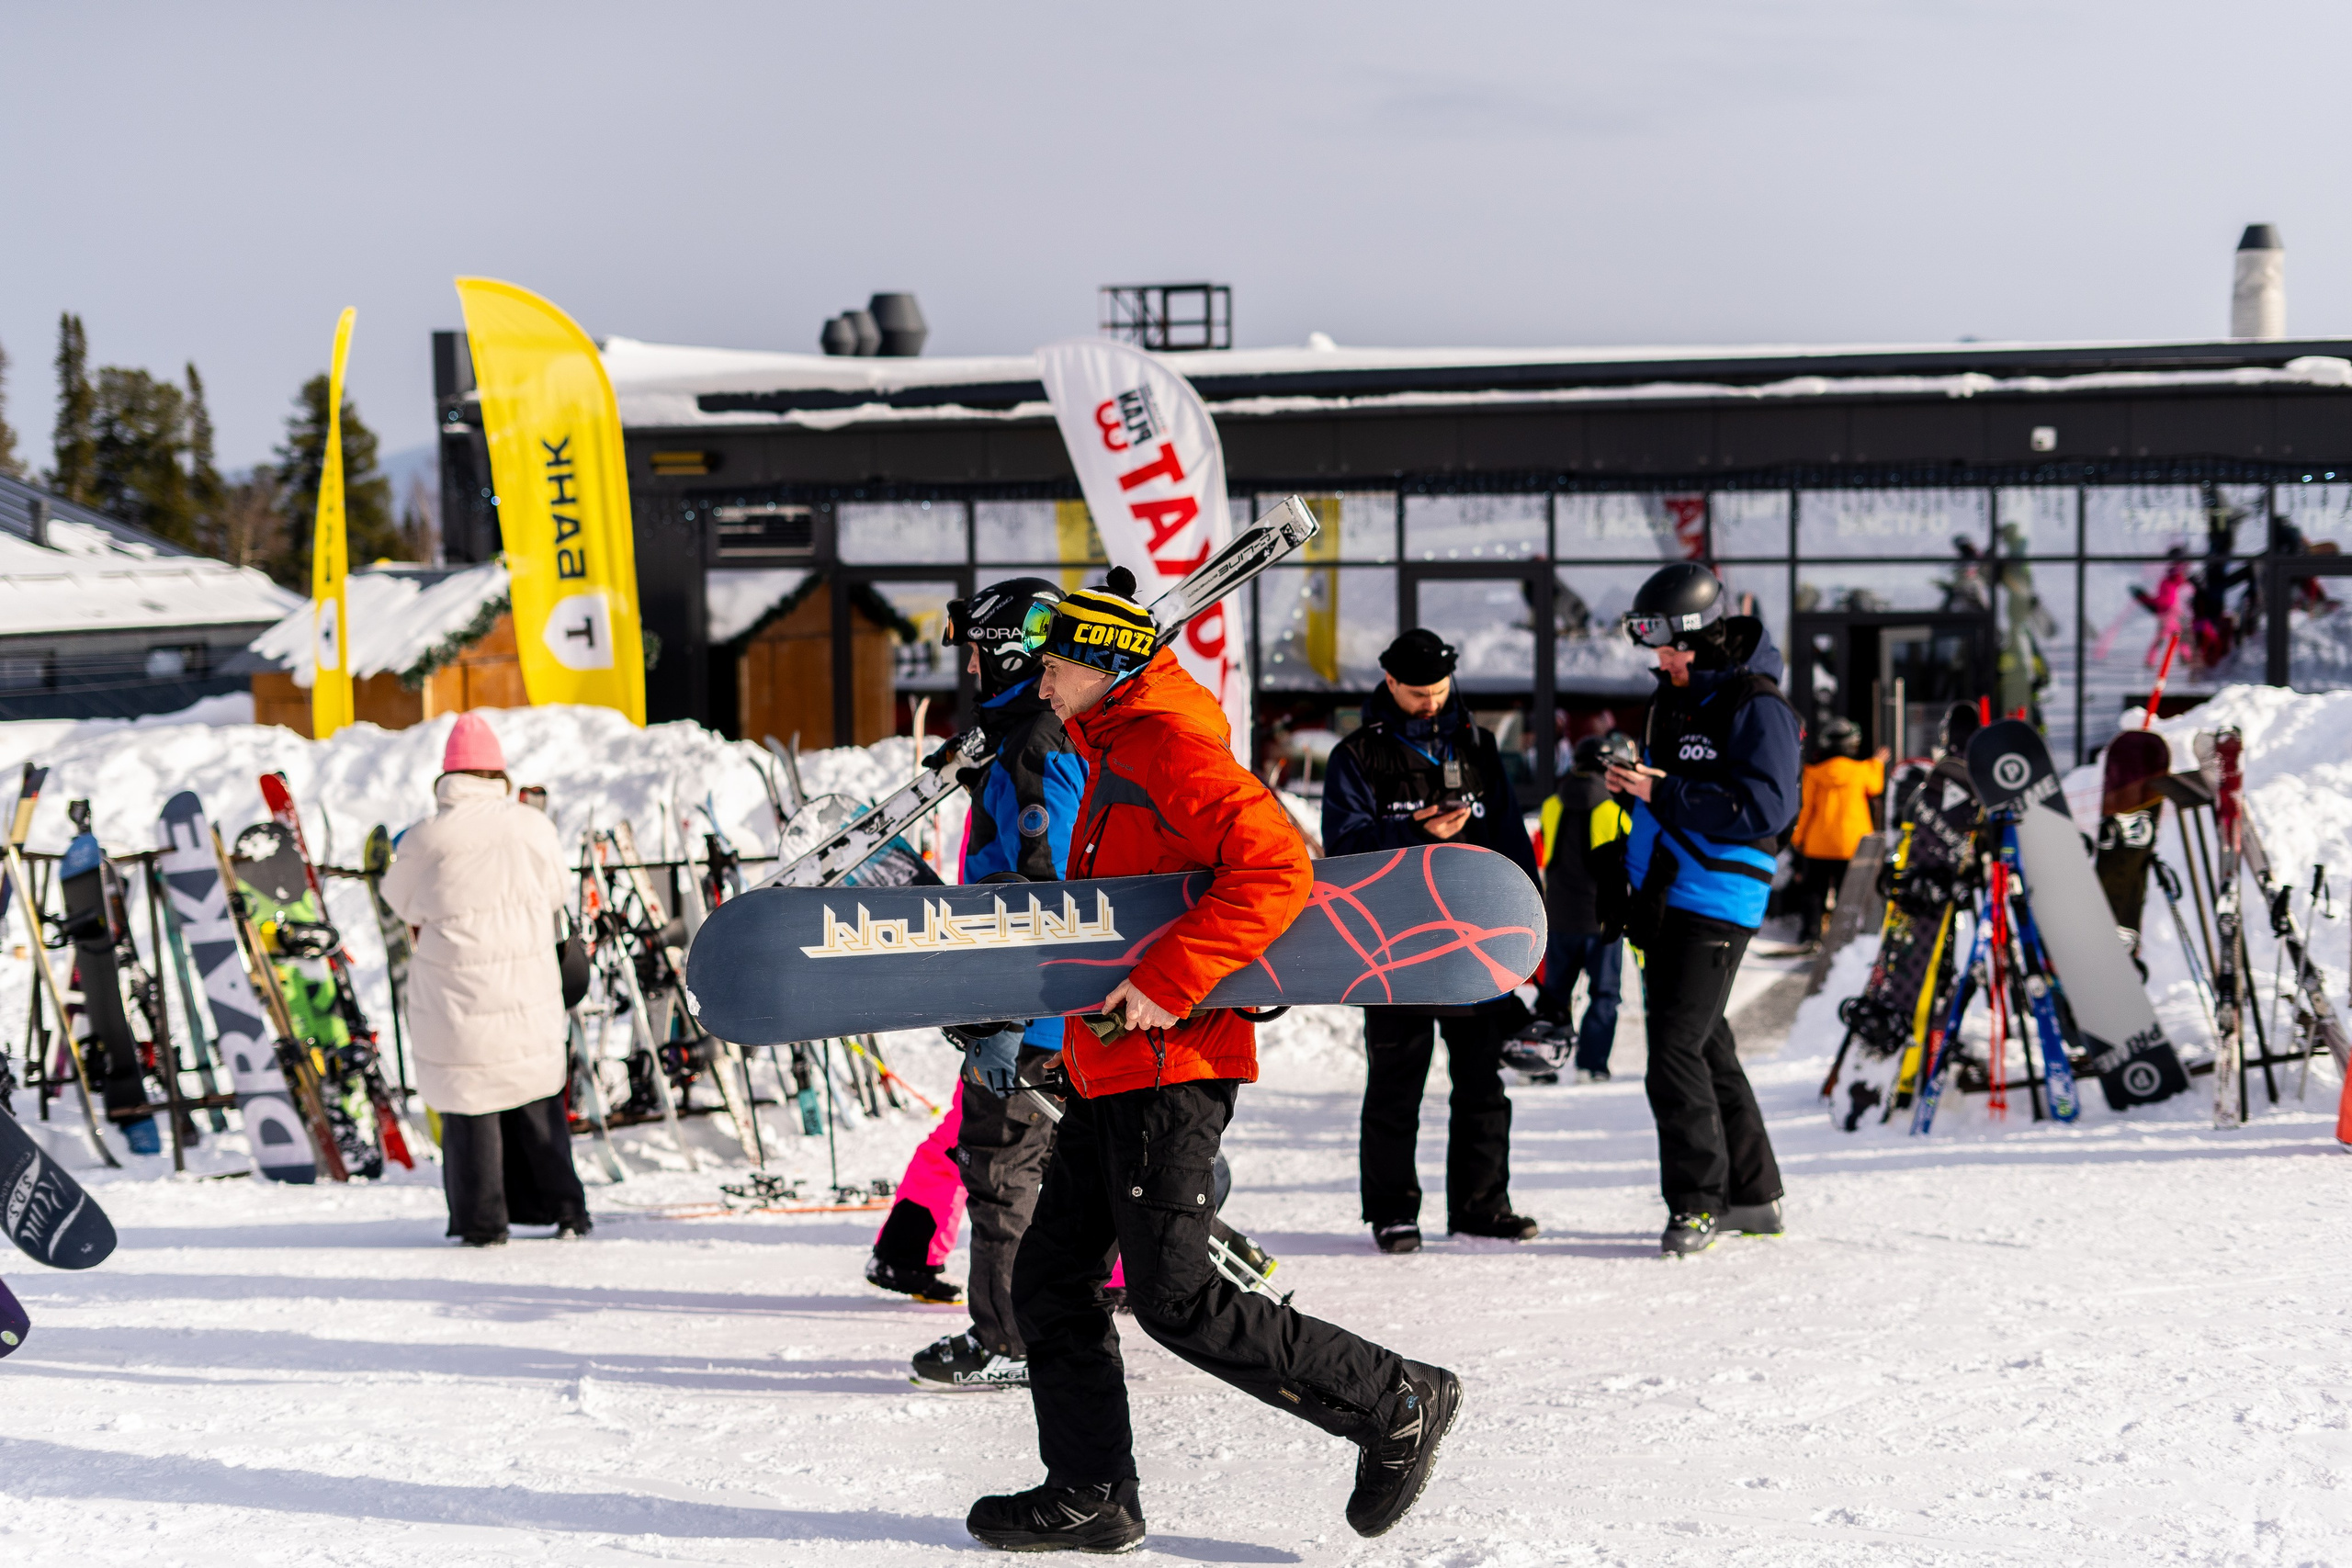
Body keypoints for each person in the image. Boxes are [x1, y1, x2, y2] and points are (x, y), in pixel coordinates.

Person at [967, 570, 1459, 1553]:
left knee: (1177, 1298)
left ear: (1102, 664)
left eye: (1056, 661)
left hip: (1170, 1064)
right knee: (1052, 1284)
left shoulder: (1164, 743)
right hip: (1113, 1067)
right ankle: (1091, 1490)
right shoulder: (1108, 746)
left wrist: (1170, 980)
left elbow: (1274, 865)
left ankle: (1393, 1397)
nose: (1041, 678)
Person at [865, 579, 1090, 1395]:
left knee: (1002, 1173)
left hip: (1026, 1012)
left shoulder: (1033, 741)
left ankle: (1008, 1339)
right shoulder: (1031, 739)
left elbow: (1039, 888)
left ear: (1002, 652)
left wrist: (998, 1008)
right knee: (1047, 1174)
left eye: (971, 649)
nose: (963, 664)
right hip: (1043, 1007)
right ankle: (1055, 1324)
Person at [1321, 628, 1546, 1254]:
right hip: (1392, 948)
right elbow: (1343, 854)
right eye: (1418, 692)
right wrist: (1418, 833)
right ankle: (1392, 1212)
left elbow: (1510, 841)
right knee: (1397, 1083)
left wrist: (1532, 929)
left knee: (1483, 1083)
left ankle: (1481, 1204)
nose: (1430, 701)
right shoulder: (1356, 755)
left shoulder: (1476, 744)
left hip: (1477, 941)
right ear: (1389, 682)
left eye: (1439, 690)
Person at [1609, 564, 1803, 1257]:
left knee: (1673, 1050)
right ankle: (1755, 1194)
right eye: (1656, 652)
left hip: (1718, 897)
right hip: (1667, 891)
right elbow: (1673, 788)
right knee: (1707, 1042)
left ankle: (1697, 1202)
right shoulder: (1671, 701)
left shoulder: (1758, 705)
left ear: (1706, 636)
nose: (1662, 663)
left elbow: (1768, 808)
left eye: (1673, 650)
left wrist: (1664, 792)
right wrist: (1633, 786)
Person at [380, 711, 587, 1247]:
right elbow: (557, 894)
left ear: (446, 778)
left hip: (457, 999)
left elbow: (396, 900)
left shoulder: (428, 838)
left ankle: (483, 1223)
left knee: (470, 1111)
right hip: (528, 989)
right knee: (537, 1100)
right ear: (498, 775)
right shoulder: (533, 827)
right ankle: (564, 1210)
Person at [1521, 733, 1632, 1082]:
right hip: (1601, 919)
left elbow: (1545, 855)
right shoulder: (1616, 809)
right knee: (1604, 993)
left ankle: (1541, 1061)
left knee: (1554, 994)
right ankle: (1591, 1064)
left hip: (1560, 915)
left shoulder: (1552, 805)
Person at [1788, 717, 1888, 951]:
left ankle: (1811, 935)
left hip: (1818, 842)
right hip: (1853, 843)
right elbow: (1876, 787)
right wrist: (1877, 763)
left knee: (1814, 891)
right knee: (1849, 894)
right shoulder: (1862, 771)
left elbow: (1805, 809)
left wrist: (1798, 838)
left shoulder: (1813, 773)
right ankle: (1845, 936)